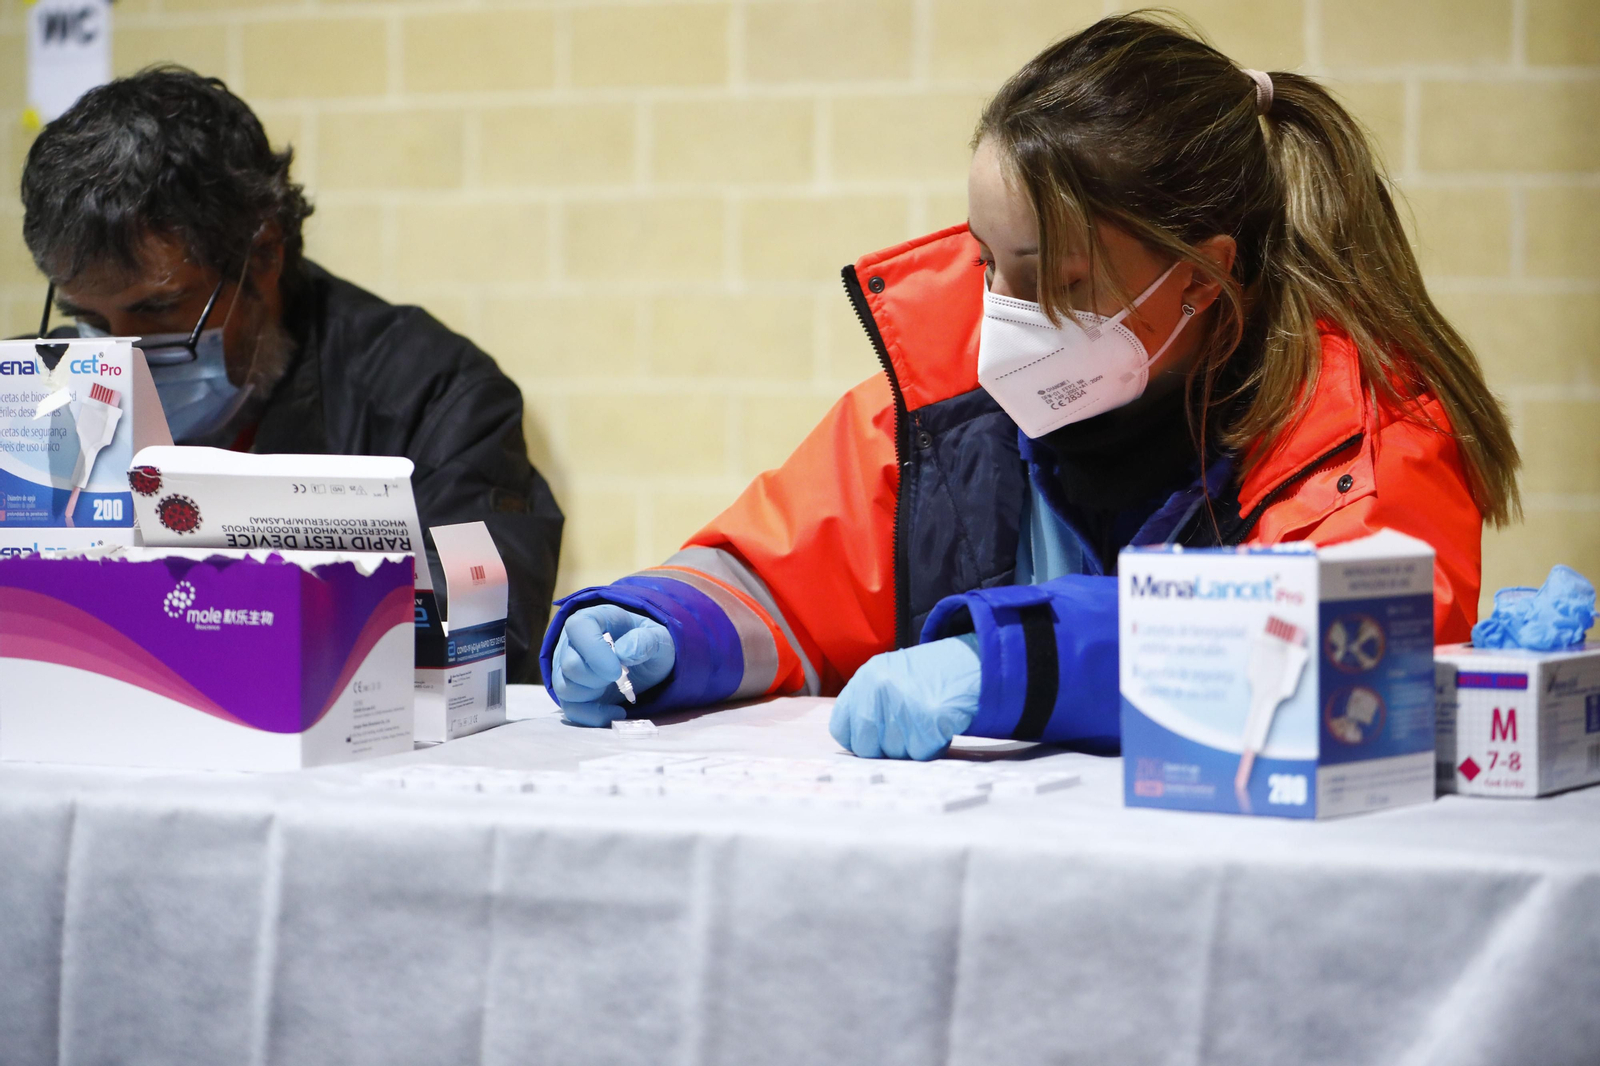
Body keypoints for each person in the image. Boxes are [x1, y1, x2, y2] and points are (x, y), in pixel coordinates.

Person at [542, 15, 1518, 758]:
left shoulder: (1360, 441)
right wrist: (664, 622)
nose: (998, 311)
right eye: (986, 260)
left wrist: (1011, 662)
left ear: (1202, 279)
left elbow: (1348, 655)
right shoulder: (934, 420)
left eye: (1055, 275)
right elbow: (784, 579)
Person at [20, 66, 564, 682]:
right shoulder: (30, 401)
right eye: (87, 317)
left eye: (156, 310)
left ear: (265, 253)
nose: (122, 357)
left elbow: (486, 629)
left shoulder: (432, 392)